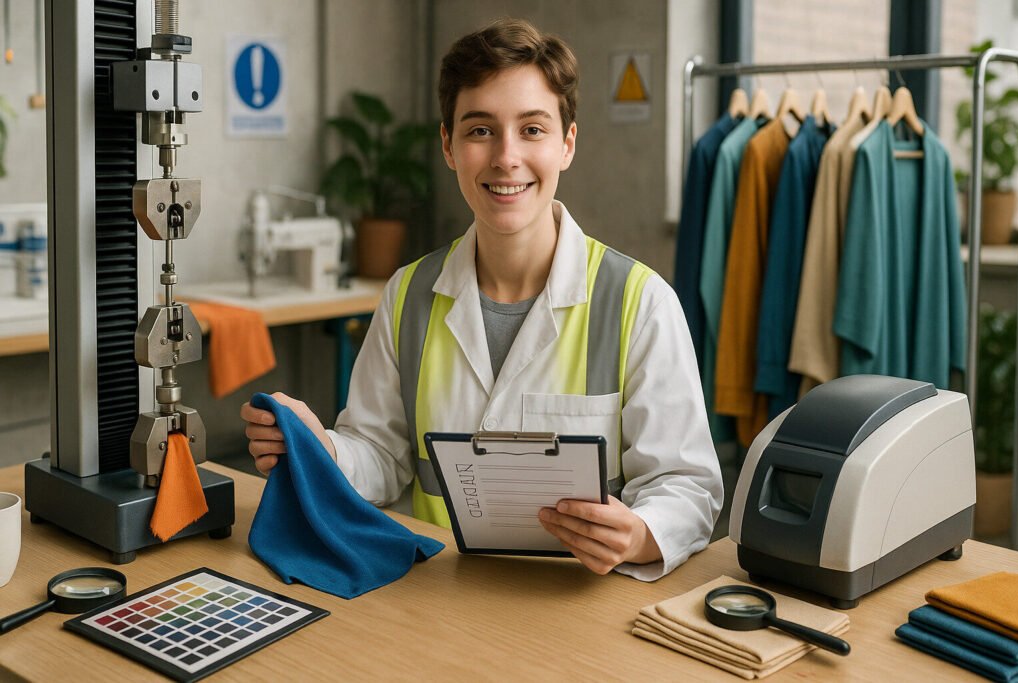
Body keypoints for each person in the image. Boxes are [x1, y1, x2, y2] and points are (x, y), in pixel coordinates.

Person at [241, 18, 722, 581]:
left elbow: (686, 486)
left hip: (583, 609)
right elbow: (378, 454)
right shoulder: (407, 297)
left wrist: (641, 534)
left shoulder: (640, 304)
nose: (506, 157)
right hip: (444, 602)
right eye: (480, 130)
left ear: (567, 143)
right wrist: (319, 447)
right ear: (448, 145)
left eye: (533, 129)